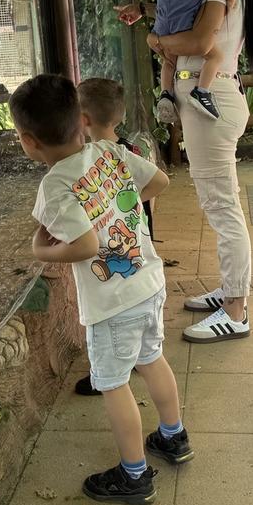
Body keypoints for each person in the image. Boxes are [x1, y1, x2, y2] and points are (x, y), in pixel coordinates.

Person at [11, 74, 192, 505]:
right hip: (148, 281)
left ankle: (134, 476)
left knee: (112, 383)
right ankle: (173, 437)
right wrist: (121, 209)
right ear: (81, 122)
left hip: (112, 303)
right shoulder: (110, 151)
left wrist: (42, 252)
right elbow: (159, 183)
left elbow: (84, 244)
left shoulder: (54, 184)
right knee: (151, 358)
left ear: (29, 141)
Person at [115, 0, 253, 345]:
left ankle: (236, 311)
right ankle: (230, 292)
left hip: (210, 100)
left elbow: (199, 41)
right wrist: (147, 10)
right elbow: (183, 11)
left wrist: (156, 40)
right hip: (210, 98)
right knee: (219, 204)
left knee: (222, 208)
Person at [74, 76, 159, 397]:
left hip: (111, 259)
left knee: (115, 314)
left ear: (82, 120)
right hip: (139, 247)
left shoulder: (90, 158)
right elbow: (160, 182)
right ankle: (135, 360)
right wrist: (133, 200)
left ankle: (106, 375)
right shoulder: (128, 149)